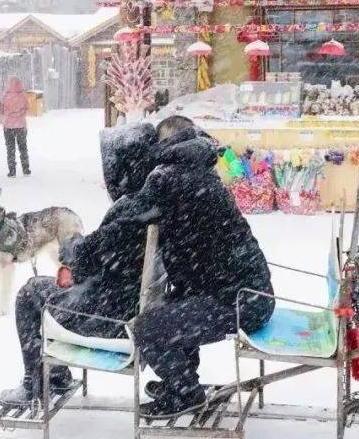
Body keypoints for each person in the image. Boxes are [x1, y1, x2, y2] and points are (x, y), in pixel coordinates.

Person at [117, 115, 274, 418]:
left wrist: (83, 250)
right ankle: (179, 382)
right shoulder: (197, 170)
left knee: (147, 328)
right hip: (245, 293)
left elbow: (131, 216)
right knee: (174, 308)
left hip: (239, 301)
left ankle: (187, 394)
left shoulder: (173, 177)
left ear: (166, 144)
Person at [0, 123, 159, 407]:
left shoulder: (131, 209)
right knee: (46, 289)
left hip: (110, 315)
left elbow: (88, 256)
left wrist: (72, 247)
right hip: (128, 303)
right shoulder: (153, 201)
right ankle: (53, 373)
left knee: (30, 292)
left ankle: (37, 381)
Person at [0, 75, 31, 178]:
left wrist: (7, 117)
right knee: (23, 148)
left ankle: (12, 171)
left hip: (8, 126)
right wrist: (20, 115)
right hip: (21, 125)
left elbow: (1, 110)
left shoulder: (5, 96)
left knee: (10, 148)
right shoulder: (23, 96)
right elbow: (27, 108)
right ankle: (26, 169)